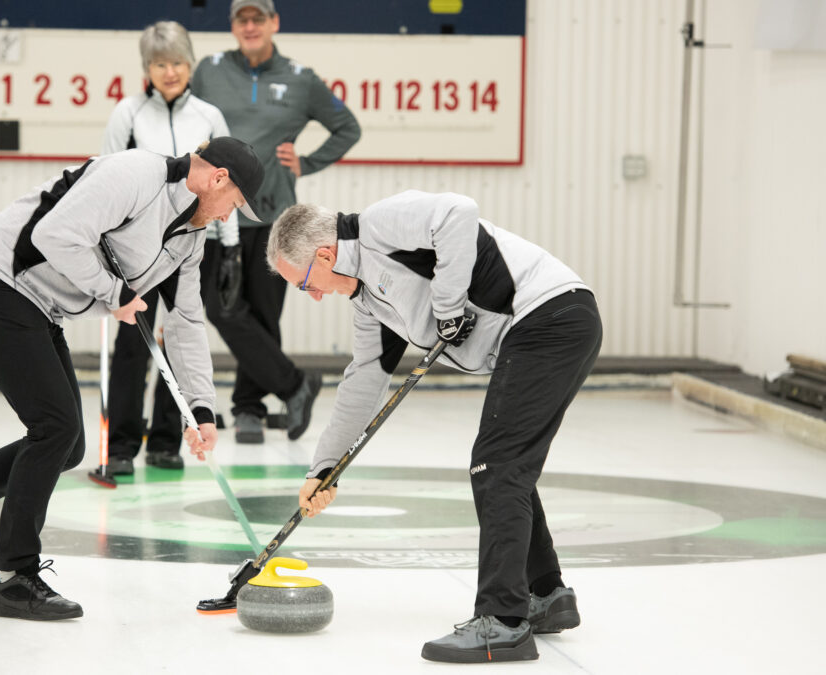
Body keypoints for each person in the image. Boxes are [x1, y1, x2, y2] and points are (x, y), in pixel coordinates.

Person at [0, 136, 264, 621]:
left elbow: (186, 322)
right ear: (218, 179)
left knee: (67, 443)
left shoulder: (190, 238)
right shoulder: (137, 174)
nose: (227, 218)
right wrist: (115, 293)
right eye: (234, 205)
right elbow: (54, 235)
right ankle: (14, 577)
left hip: (37, 305)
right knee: (55, 428)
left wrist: (200, 409)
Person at [267, 191, 602, 663]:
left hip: (550, 316)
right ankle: (546, 593)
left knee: (498, 465)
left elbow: (457, 213)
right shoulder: (369, 303)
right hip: (540, 329)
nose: (315, 296)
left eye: (305, 285)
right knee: (507, 464)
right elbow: (363, 382)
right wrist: (324, 469)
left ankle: (503, 622)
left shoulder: (378, 227)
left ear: (324, 255)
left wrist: (448, 307)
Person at [191, 0, 361, 444]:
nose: (250, 26)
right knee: (222, 307)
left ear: (274, 23)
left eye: (258, 18)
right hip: (218, 215)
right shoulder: (208, 71)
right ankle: (294, 384)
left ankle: (249, 409)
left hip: (272, 215)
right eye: (242, 19)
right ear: (233, 25)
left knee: (264, 315)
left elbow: (348, 127)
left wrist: (307, 162)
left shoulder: (300, 79)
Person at [99, 21, 239, 474]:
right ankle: (121, 445)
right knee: (132, 343)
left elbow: (229, 185)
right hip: (137, 248)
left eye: (178, 62)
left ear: (190, 64)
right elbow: (105, 176)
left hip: (194, 245)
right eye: (160, 64)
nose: (170, 72)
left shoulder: (208, 116)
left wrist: (231, 248)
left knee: (179, 338)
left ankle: (164, 440)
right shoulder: (128, 114)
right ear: (147, 68)